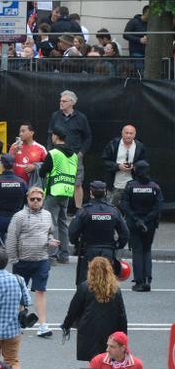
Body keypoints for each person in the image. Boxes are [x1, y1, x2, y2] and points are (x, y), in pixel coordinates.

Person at [5, 188, 59, 338]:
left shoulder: (47, 215)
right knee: (19, 294)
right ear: (27, 200)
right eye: (32, 199)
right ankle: (18, 321)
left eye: (38, 199)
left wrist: (50, 241)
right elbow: (11, 239)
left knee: (40, 291)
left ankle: (42, 325)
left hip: (41, 260)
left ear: (42, 200)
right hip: (22, 260)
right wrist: (14, 259)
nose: (35, 202)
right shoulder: (19, 216)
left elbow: (49, 233)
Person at [62, 256, 128, 362]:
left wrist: (66, 325)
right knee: (108, 361)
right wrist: (124, 337)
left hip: (89, 330)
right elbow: (122, 316)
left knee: (94, 362)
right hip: (110, 331)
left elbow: (73, 310)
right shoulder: (115, 290)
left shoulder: (84, 287)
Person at [69, 180, 129, 286]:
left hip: (88, 251)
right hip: (108, 251)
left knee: (86, 284)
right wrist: (117, 245)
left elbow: (73, 232)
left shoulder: (84, 211)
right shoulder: (113, 211)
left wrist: (77, 244)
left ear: (91, 193)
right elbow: (125, 233)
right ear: (105, 193)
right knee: (107, 283)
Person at [0, 154, 28, 278]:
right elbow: (26, 201)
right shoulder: (21, 182)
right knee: (17, 250)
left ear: (2, 165)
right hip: (16, 218)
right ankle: (18, 278)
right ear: (13, 165)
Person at [119, 160, 162, 291]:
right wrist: (147, 220)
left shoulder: (130, 186)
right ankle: (148, 280)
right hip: (150, 224)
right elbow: (158, 207)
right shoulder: (155, 187)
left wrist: (137, 220)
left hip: (133, 223)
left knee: (137, 251)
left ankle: (139, 282)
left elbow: (125, 205)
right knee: (147, 250)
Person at [38, 128, 77, 263]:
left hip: (53, 191)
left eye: (52, 135)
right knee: (63, 223)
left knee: (51, 223)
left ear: (56, 136)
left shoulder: (53, 153)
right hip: (67, 191)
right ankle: (64, 255)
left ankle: (52, 255)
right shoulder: (74, 155)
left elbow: (42, 172)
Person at [48, 90, 92, 207]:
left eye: (64, 101)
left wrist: (81, 153)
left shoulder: (81, 118)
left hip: (75, 156)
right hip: (57, 156)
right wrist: (49, 152)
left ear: (72, 103)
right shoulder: (55, 116)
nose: (61, 103)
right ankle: (57, 209)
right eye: (60, 100)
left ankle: (78, 211)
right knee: (56, 181)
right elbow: (49, 135)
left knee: (77, 184)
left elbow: (88, 137)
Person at [102, 125, 146, 204]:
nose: (128, 135)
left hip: (133, 184)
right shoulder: (113, 144)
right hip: (114, 184)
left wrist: (135, 166)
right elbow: (104, 161)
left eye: (131, 133)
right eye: (126, 133)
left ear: (135, 135)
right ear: (122, 133)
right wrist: (118, 166)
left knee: (132, 207)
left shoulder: (140, 146)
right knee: (111, 207)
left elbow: (144, 163)